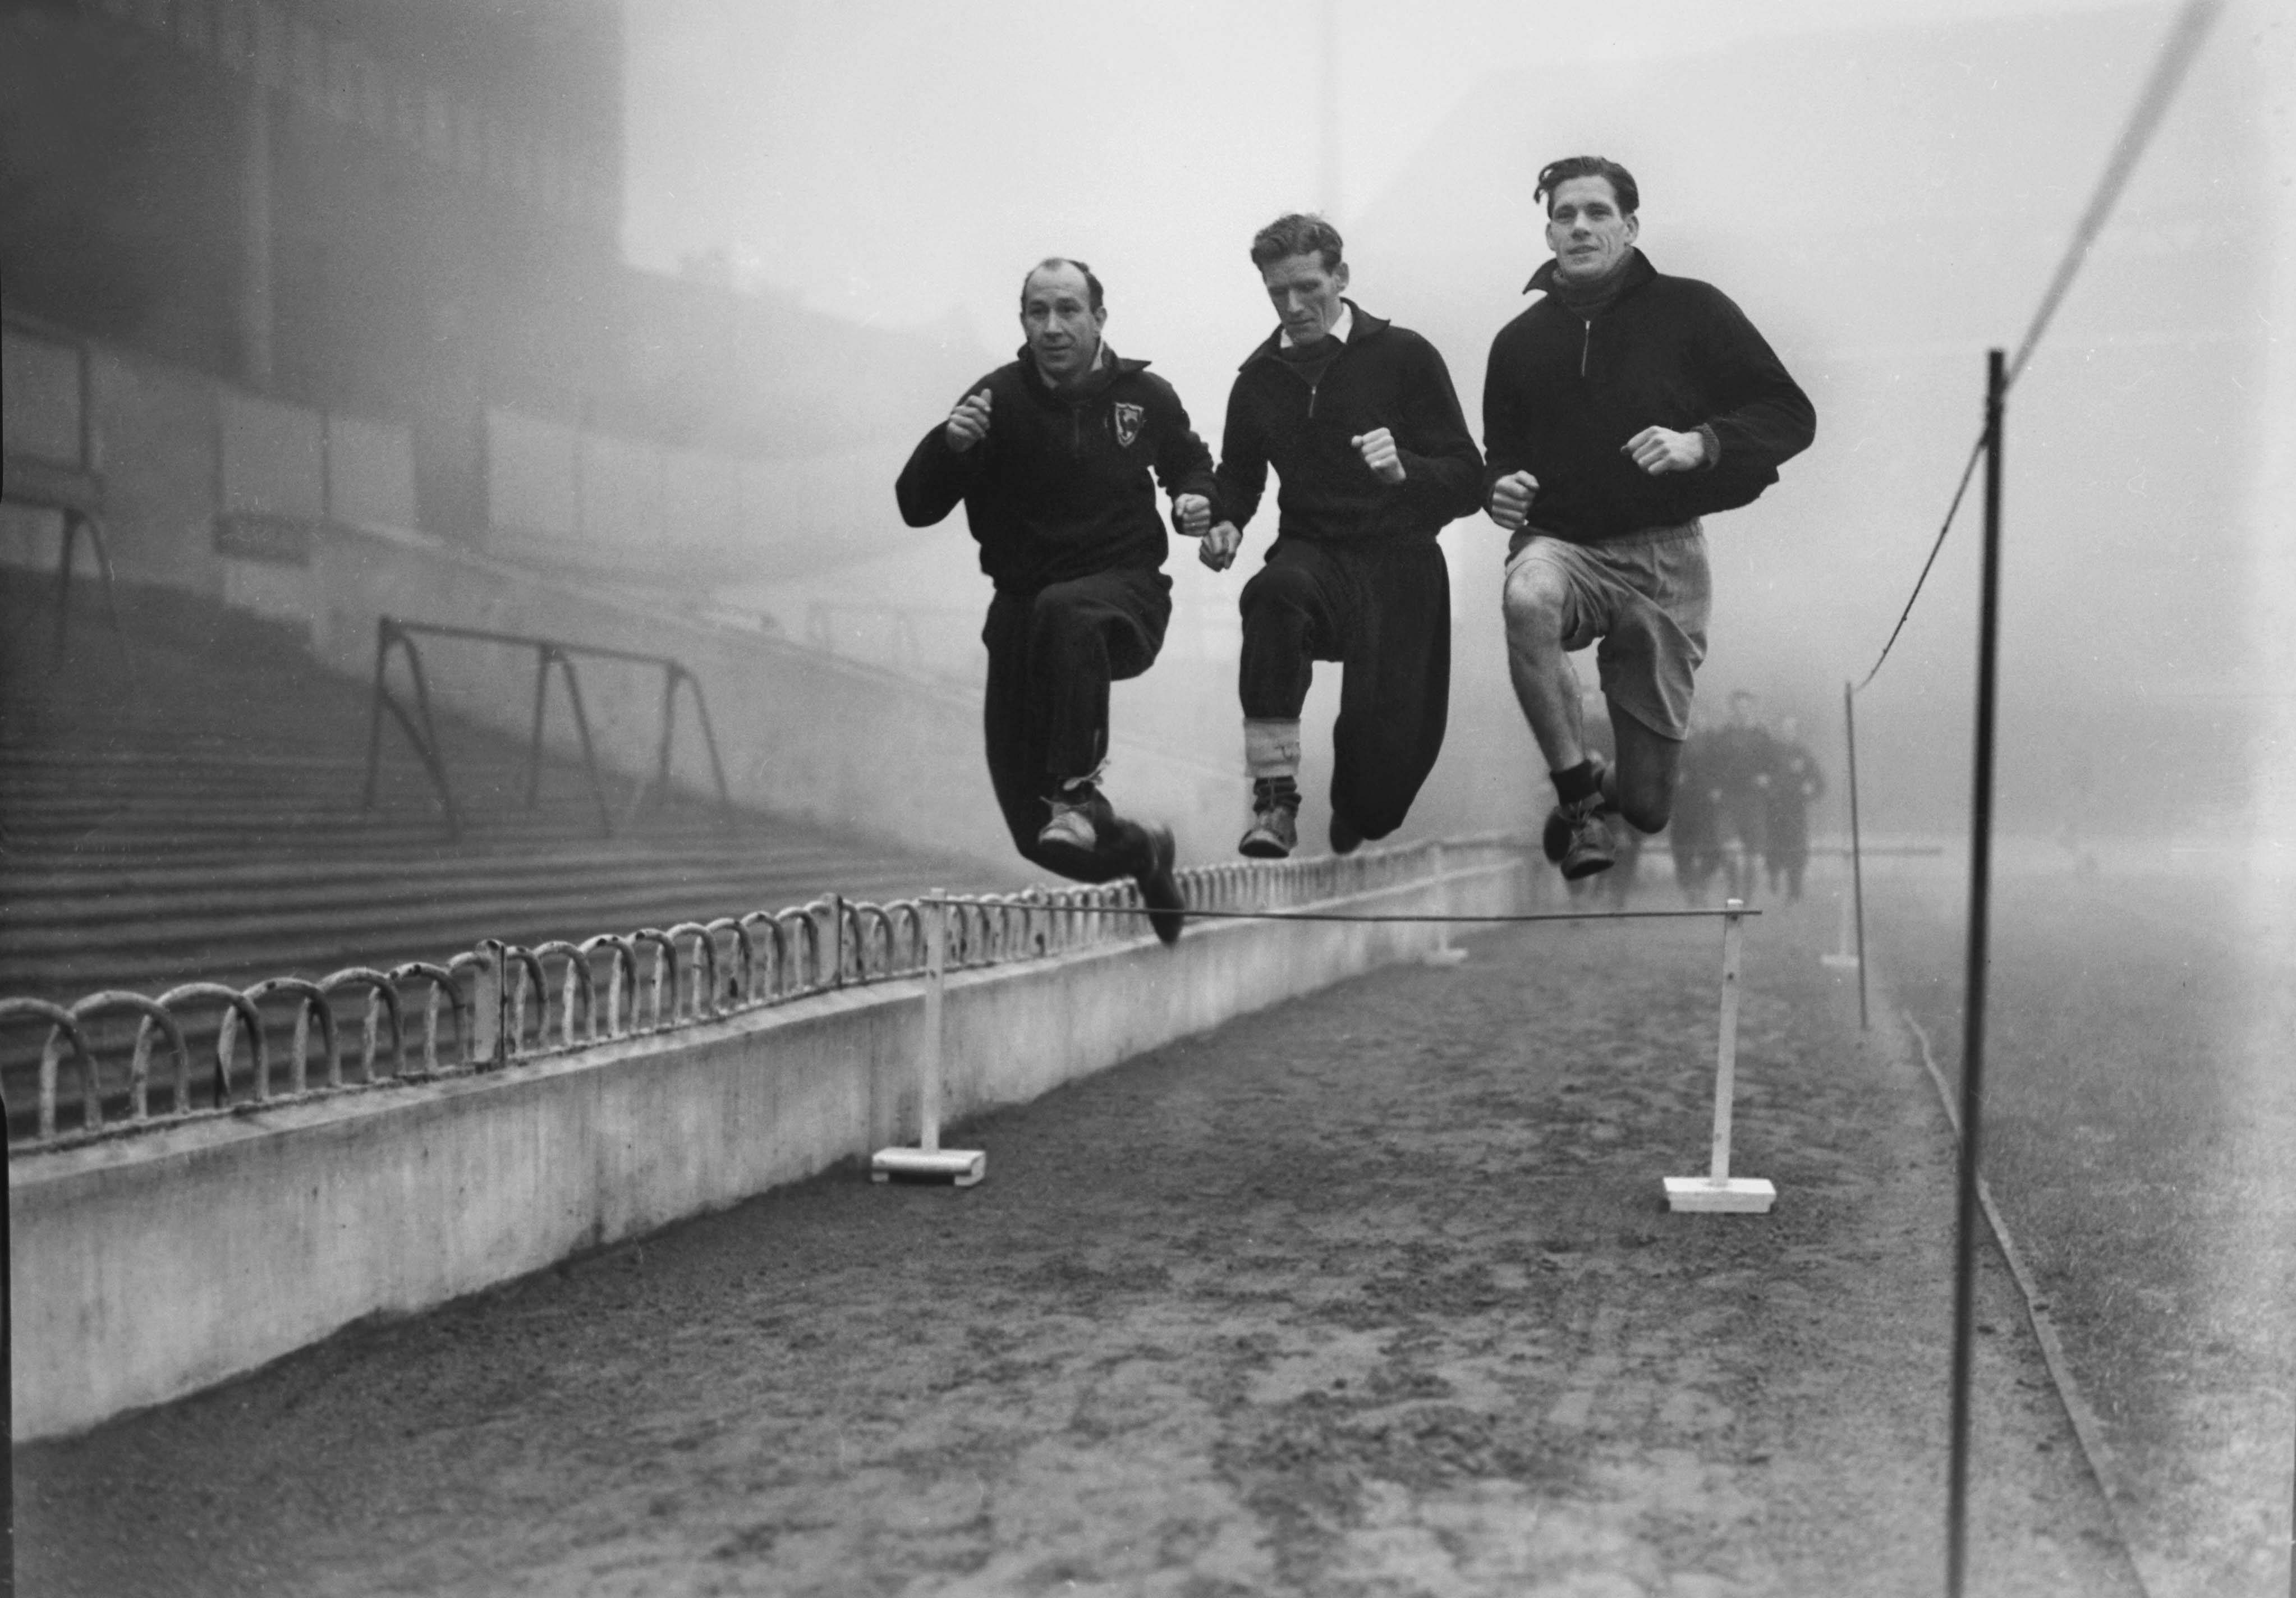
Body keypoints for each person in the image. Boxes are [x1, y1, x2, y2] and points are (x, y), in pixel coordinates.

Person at [1482, 155, 1815, 881]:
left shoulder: (1694, 311)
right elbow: (1499, 457)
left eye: (1597, 212)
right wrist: (1498, 489)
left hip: (1667, 558)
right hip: (1563, 546)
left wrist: (1703, 442)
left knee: (1648, 806)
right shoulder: (1517, 343)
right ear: (1548, 231)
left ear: (1630, 226)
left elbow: (1792, 415)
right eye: (1565, 214)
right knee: (1525, 597)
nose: (1580, 226)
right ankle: (1577, 803)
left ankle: (1602, 789)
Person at [896, 258, 1216, 943]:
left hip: (1124, 600)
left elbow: (1190, 461)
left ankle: (1077, 790)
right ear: (1023, 323)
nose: (1053, 326)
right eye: (1038, 312)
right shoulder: (996, 399)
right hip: (1021, 616)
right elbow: (915, 507)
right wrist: (950, 447)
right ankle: (1141, 853)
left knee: (1069, 612)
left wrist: (1197, 499)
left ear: (1100, 318)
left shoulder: (1145, 397)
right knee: (1037, 842)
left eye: (1068, 310)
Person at [1198, 213, 1484, 858]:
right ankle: (1274, 800)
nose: (1293, 307)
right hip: (1314, 556)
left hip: (1402, 563)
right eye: (1277, 293)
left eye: (1307, 288)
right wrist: (1225, 523)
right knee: (1272, 593)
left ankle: (1359, 810)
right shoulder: (1259, 380)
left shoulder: (1407, 356)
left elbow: (1470, 480)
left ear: (1342, 277)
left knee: (1377, 798)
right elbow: (1239, 479)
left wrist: (1403, 468)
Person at [1707, 688, 1779, 900]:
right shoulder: (1723, 736)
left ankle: (1748, 896)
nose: (1742, 711)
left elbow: (1775, 767)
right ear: (1732, 710)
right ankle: (1733, 891)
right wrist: (1714, 787)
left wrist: (1768, 778)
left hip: (1755, 800)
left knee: (1754, 855)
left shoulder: (1762, 736)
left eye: (1746, 707)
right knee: (1730, 851)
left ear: (1752, 709)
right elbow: (1712, 765)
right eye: (1738, 707)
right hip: (1729, 799)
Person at [1763, 713, 1825, 900]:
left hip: (1796, 811)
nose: (1787, 733)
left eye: (1791, 729)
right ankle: (1773, 876)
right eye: (1784, 729)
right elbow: (1758, 774)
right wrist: (1764, 783)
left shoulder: (1803, 754)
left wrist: (1811, 789)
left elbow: (1820, 783)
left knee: (1797, 852)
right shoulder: (1769, 752)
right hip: (1773, 810)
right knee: (1774, 850)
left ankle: (1794, 893)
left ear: (1797, 732)